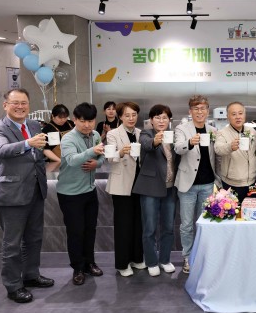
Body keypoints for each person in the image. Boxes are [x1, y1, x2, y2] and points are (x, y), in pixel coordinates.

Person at [0, 88, 54, 303]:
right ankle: (13, 286)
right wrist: (27, 144)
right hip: (12, 194)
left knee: (34, 238)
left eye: (24, 103)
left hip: (35, 190)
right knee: (12, 244)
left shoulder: (33, 125)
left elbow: (37, 155)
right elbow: (0, 150)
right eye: (15, 103)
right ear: (5, 105)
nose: (20, 107)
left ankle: (31, 275)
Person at [57, 102, 105, 286]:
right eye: (83, 121)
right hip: (70, 194)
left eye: (90, 121)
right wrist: (92, 152)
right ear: (75, 120)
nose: (87, 125)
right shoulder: (68, 138)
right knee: (76, 232)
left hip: (90, 190)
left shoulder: (96, 135)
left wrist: (97, 163)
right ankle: (77, 268)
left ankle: (89, 263)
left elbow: (102, 156)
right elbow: (72, 160)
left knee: (90, 230)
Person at [175, 95, 219, 274]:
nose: (200, 112)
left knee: (204, 223)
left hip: (208, 184)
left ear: (208, 111)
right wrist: (189, 143)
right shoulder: (182, 128)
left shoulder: (213, 130)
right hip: (188, 185)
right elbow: (178, 148)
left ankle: (202, 256)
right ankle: (187, 257)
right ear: (190, 111)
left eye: (203, 108)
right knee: (186, 225)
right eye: (196, 108)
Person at [132, 105, 178, 277]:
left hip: (170, 188)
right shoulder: (146, 134)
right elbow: (146, 145)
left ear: (169, 120)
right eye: (157, 117)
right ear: (151, 120)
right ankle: (151, 261)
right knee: (149, 228)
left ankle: (165, 260)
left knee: (168, 227)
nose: (161, 121)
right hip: (150, 188)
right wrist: (156, 141)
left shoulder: (174, 136)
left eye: (165, 117)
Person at [105, 102, 145, 277]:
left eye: (134, 115)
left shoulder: (140, 133)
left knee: (138, 223)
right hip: (121, 185)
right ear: (120, 116)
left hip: (139, 184)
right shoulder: (113, 134)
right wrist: (121, 152)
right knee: (123, 225)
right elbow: (109, 158)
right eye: (127, 115)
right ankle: (122, 263)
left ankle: (137, 258)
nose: (131, 118)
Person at [214, 102, 256, 202]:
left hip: (252, 181)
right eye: (234, 114)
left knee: (250, 210)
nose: (238, 117)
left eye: (240, 113)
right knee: (233, 210)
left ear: (245, 115)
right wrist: (230, 146)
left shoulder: (252, 131)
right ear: (228, 116)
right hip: (232, 183)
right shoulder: (222, 133)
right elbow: (218, 149)